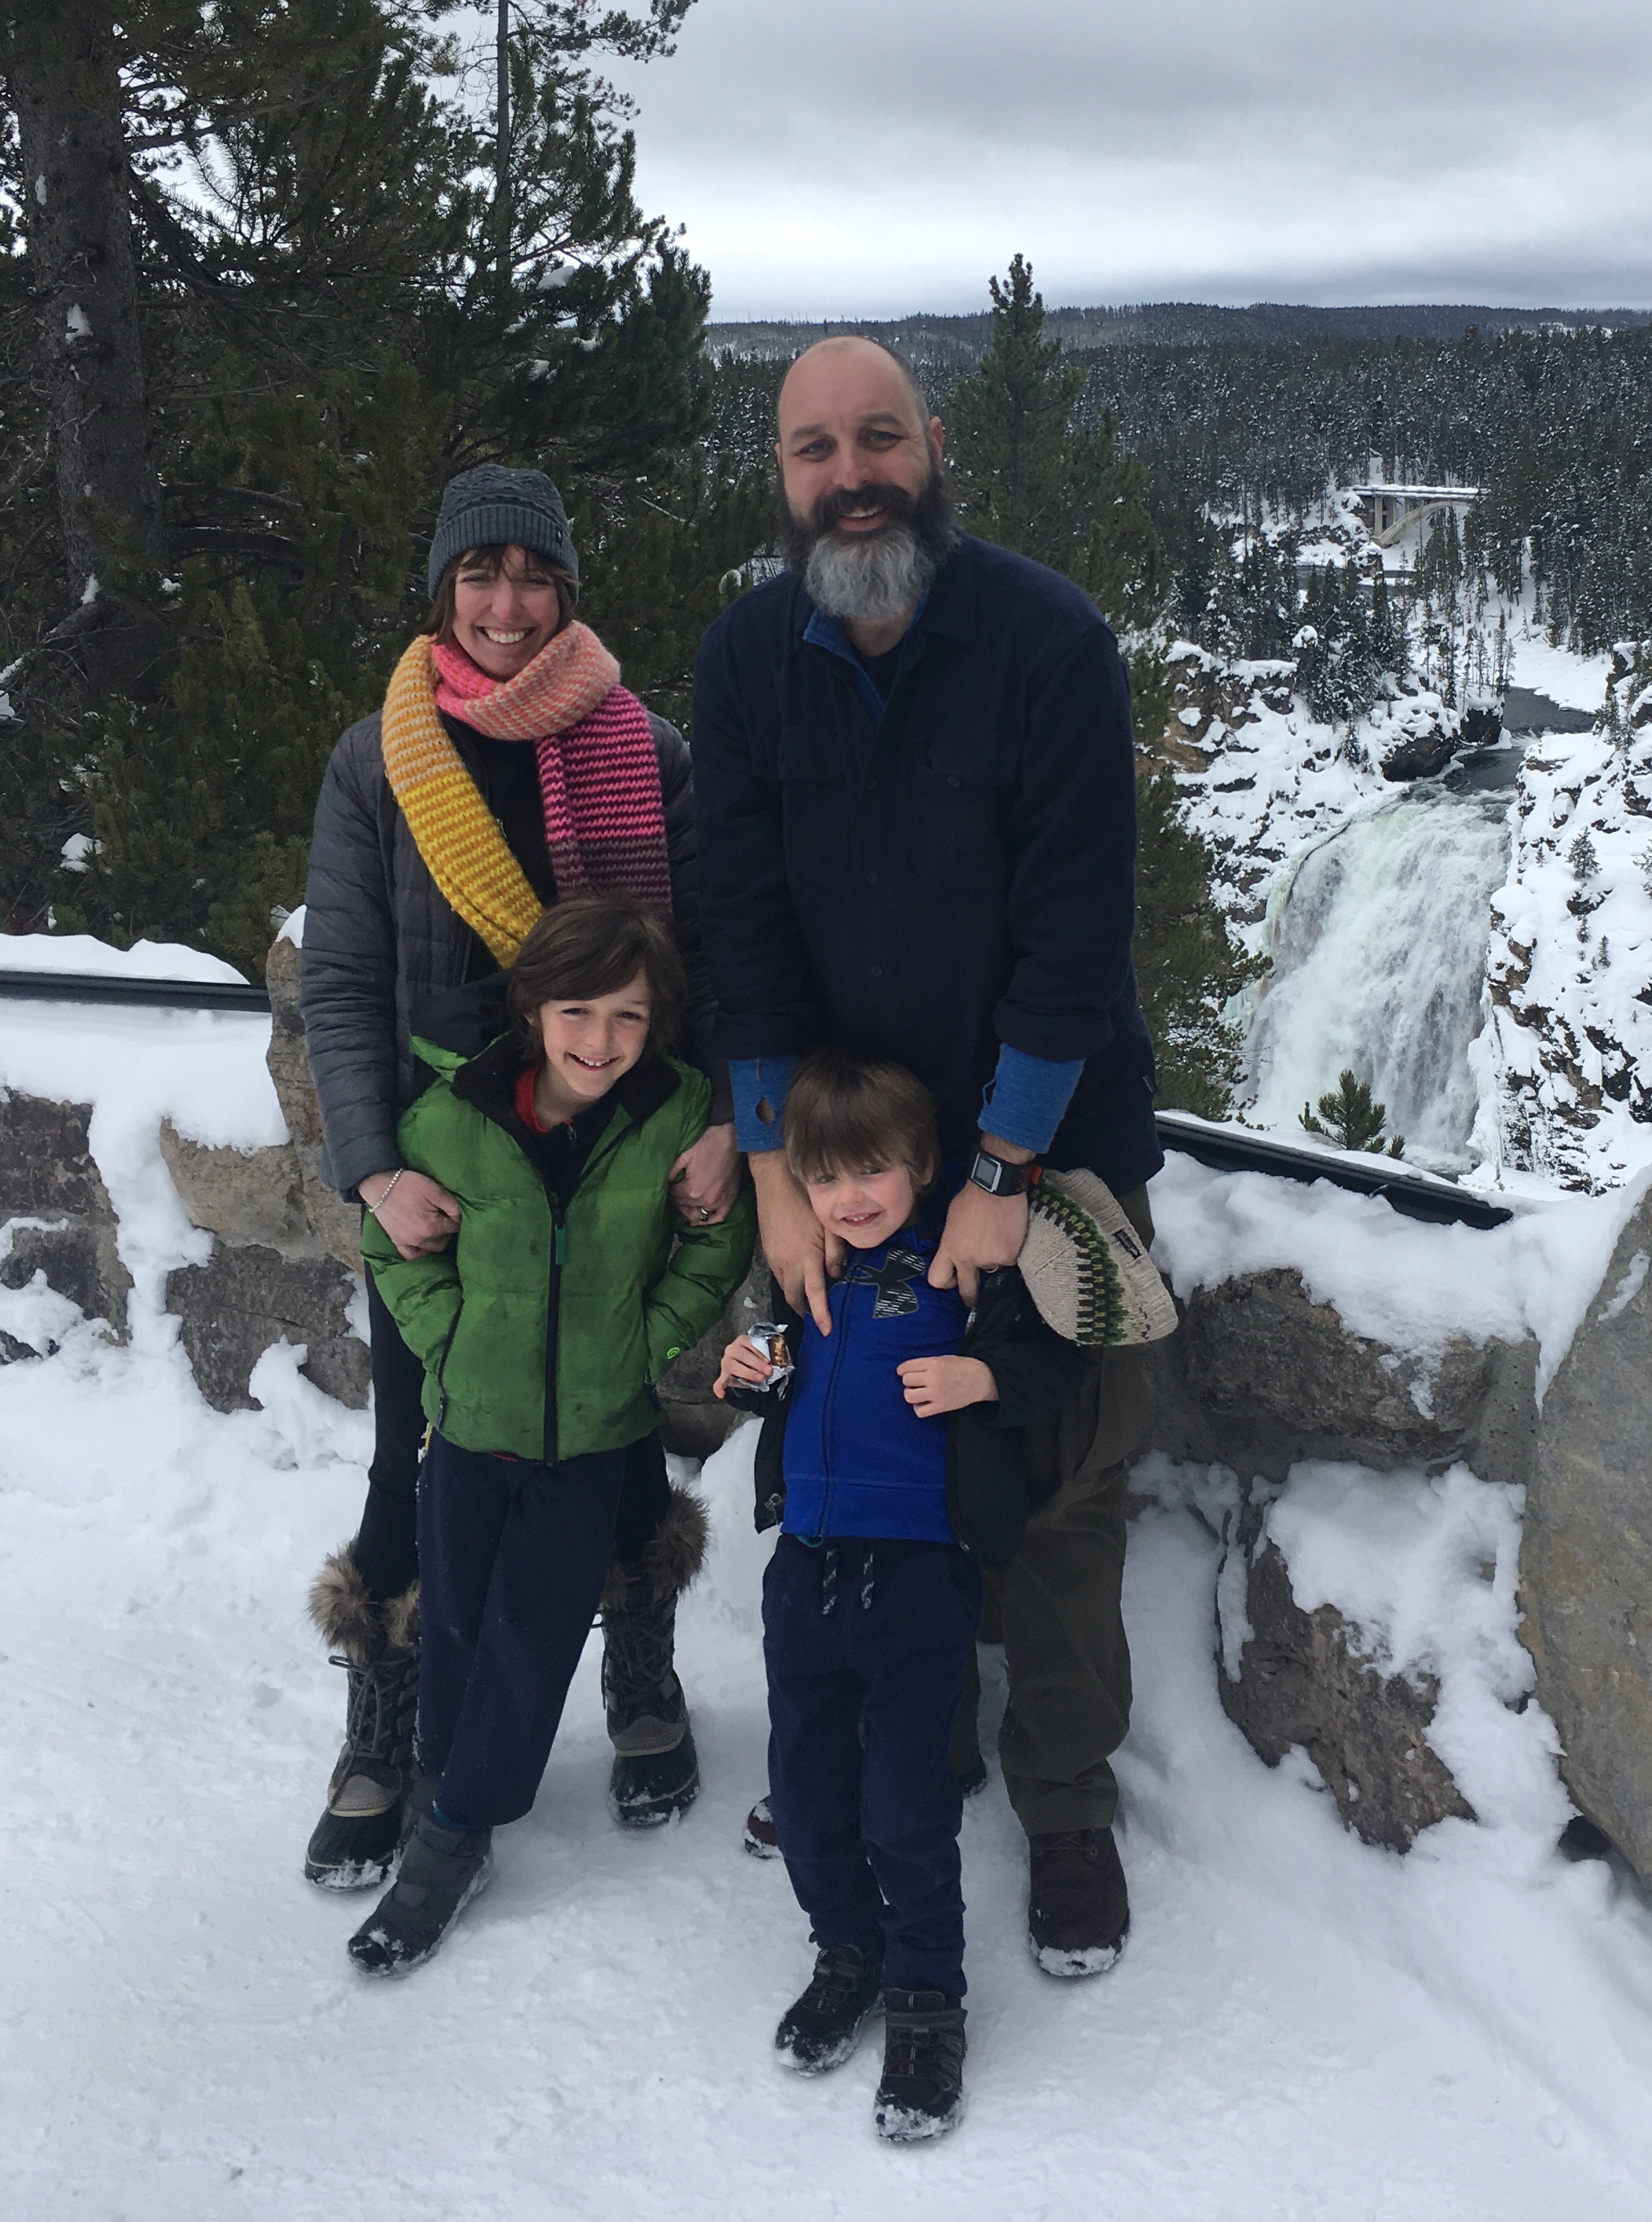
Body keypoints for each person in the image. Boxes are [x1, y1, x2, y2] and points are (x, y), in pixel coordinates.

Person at [691, 338, 1161, 1975]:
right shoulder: (749, 662)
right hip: (841, 1165)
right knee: (865, 1453)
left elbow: (1076, 935)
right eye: (816, 448)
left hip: (1048, 1148)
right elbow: (737, 929)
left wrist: (1005, 1169)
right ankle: (914, 1744)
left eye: (879, 436)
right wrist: (769, 1173)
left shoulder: (1045, 642)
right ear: (785, 473)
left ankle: (1067, 1804)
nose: (852, 473)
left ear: (933, 444)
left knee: (1053, 1489)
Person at [299, 465, 742, 1886]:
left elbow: (714, 965)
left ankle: (638, 1673)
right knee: (412, 1442)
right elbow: (348, 981)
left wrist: (721, 1117)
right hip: (447, 1159)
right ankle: (393, 1714)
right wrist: (372, 1169)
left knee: (609, 1417)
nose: (506, 604)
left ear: (567, 591)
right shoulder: (384, 755)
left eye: (532, 576)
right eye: (478, 576)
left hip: (611, 1137)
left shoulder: (646, 750)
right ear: (444, 590)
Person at [346, 895, 755, 1974]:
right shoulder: (451, 1119)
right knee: (457, 1627)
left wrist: (641, 1344)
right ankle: (443, 1778)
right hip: (470, 1434)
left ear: (656, 1018)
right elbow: (394, 1250)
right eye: (576, 1010)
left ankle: (450, 1838)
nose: (601, 1040)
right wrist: (451, 1345)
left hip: (589, 1441)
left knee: (528, 1636)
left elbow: (716, 1250)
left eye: (628, 1015)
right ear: (530, 1009)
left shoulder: (670, 1116)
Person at [714, 1051, 1086, 2139]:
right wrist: (755, 1369)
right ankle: (848, 1952)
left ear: (926, 1167)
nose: (851, 1197)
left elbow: (1057, 1362)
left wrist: (980, 1377)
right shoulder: (811, 1265)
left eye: (874, 1171)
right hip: (808, 1571)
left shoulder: (957, 1267)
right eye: (826, 1179)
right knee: (810, 1791)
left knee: (905, 1810)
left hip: (920, 1574)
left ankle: (928, 2002)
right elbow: (790, 1366)